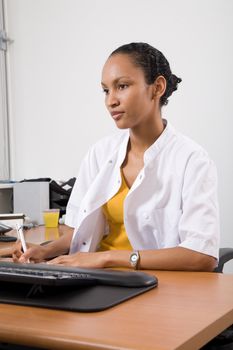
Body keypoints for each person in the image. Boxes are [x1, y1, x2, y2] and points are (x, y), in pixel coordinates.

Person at [13, 42, 219, 271]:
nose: (111, 100)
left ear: (157, 87)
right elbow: (80, 231)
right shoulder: (99, 154)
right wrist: (46, 250)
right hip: (95, 278)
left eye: (122, 86)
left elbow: (202, 255)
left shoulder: (192, 160)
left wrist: (108, 258)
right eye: (106, 90)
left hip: (158, 286)